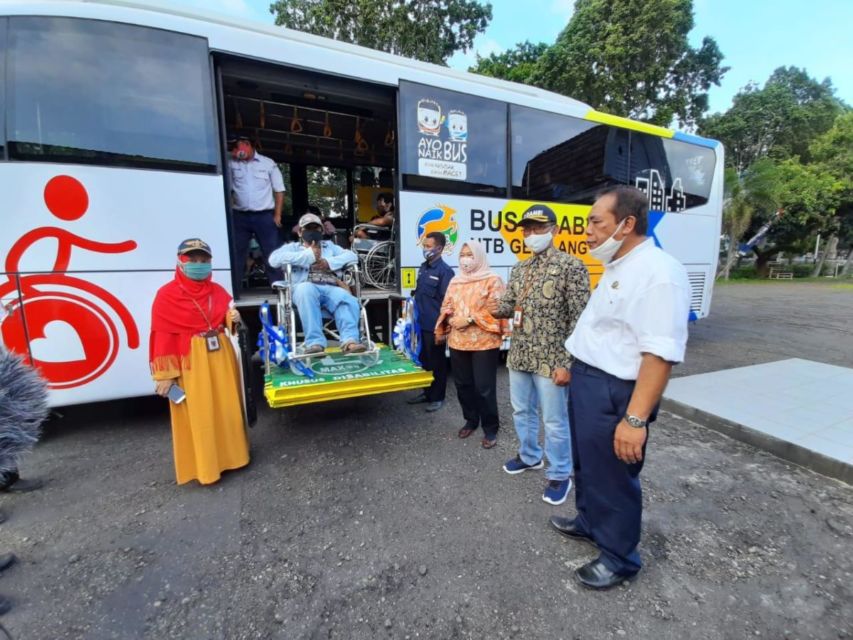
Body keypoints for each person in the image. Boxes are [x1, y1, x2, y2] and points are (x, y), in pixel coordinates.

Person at [551, 185, 690, 589]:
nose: (587, 230)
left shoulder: (659, 274)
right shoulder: (618, 265)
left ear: (626, 223)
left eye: (596, 221)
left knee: (614, 475)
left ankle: (619, 557)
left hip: (617, 392)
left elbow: (659, 354)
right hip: (589, 381)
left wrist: (635, 419)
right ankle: (590, 522)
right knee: (587, 464)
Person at [487, 204, 589, 506]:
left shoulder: (572, 267)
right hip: (519, 354)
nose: (531, 234)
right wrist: (491, 304)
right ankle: (530, 456)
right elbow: (509, 305)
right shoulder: (520, 268)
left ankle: (560, 473)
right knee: (522, 411)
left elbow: (580, 320)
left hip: (552, 359)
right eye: (527, 229)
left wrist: (567, 363)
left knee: (555, 421)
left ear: (554, 230)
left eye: (538, 228)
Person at [149, 238, 250, 485]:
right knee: (200, 412)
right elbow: (161, 336)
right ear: (180, 262)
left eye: (204, 260)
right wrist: (165, 376)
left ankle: (234, 457)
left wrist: (233, 318)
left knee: (227, 408)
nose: (198, 264)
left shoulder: (217, 291)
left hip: (220, 353)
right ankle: (207, 467)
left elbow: (228, 321)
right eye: (192, 260)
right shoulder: (167, 295)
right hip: (191, 359)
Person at [435, 241, 507, 448]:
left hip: (484, 342)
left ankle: (491, 428)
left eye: (470, 255)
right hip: (458, 341)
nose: (466, 259)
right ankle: (471, 420)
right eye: (462, 255)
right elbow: (446, 306)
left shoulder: (493, 280)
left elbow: (497, 310)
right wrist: (449, 319)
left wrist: (469, 320)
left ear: (479, 257)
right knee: (463, 384)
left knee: (484, 387)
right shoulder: (456, 281)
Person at [269, 213, 367, 354]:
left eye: (316, 228)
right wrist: (308, 256)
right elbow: (274, 259)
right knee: (306, 290)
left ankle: (350, 341)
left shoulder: (330, 246)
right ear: (300, 232)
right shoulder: (293, 248)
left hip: (329, 287)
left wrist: (329, 262)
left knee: (347, 299)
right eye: (308, 228)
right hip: (304, 286)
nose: (312, 231)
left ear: (322, 231)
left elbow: (352, 256)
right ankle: (315, 343)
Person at [229, 135, 286, 290]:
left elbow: (279, 190)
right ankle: (235, 288)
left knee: (272, 251)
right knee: (237, 251)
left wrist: (277, 214)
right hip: (240, 215)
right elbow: (227, 189)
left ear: (249, 145)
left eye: (240, 146)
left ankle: (277, 287)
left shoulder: (268, 163)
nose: (238, 150)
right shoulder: (231, 164)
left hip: (264, 215)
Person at [407, 232, 454, 412]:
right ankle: (426, 393)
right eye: (424, 246)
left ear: (439, 248)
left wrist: (442, 329)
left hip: (434, 326)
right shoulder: (423, 267)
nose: (425, 249)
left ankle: (437, 397)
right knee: (423, 360)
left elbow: (447, 303)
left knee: (437, 362)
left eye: (428, 246)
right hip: (420, 323)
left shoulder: (445, 272)